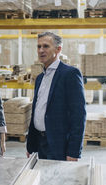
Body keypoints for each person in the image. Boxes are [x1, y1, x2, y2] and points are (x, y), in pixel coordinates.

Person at [26, 31, 86, 161]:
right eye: (39, 46)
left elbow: (78, 115)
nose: (41, 50)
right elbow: (37, 111)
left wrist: (74, 151)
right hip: (39, 142)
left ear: (58, 49)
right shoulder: (40, 78)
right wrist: (30, 145)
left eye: (46, 46)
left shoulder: (70, 74)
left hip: (59, 145)